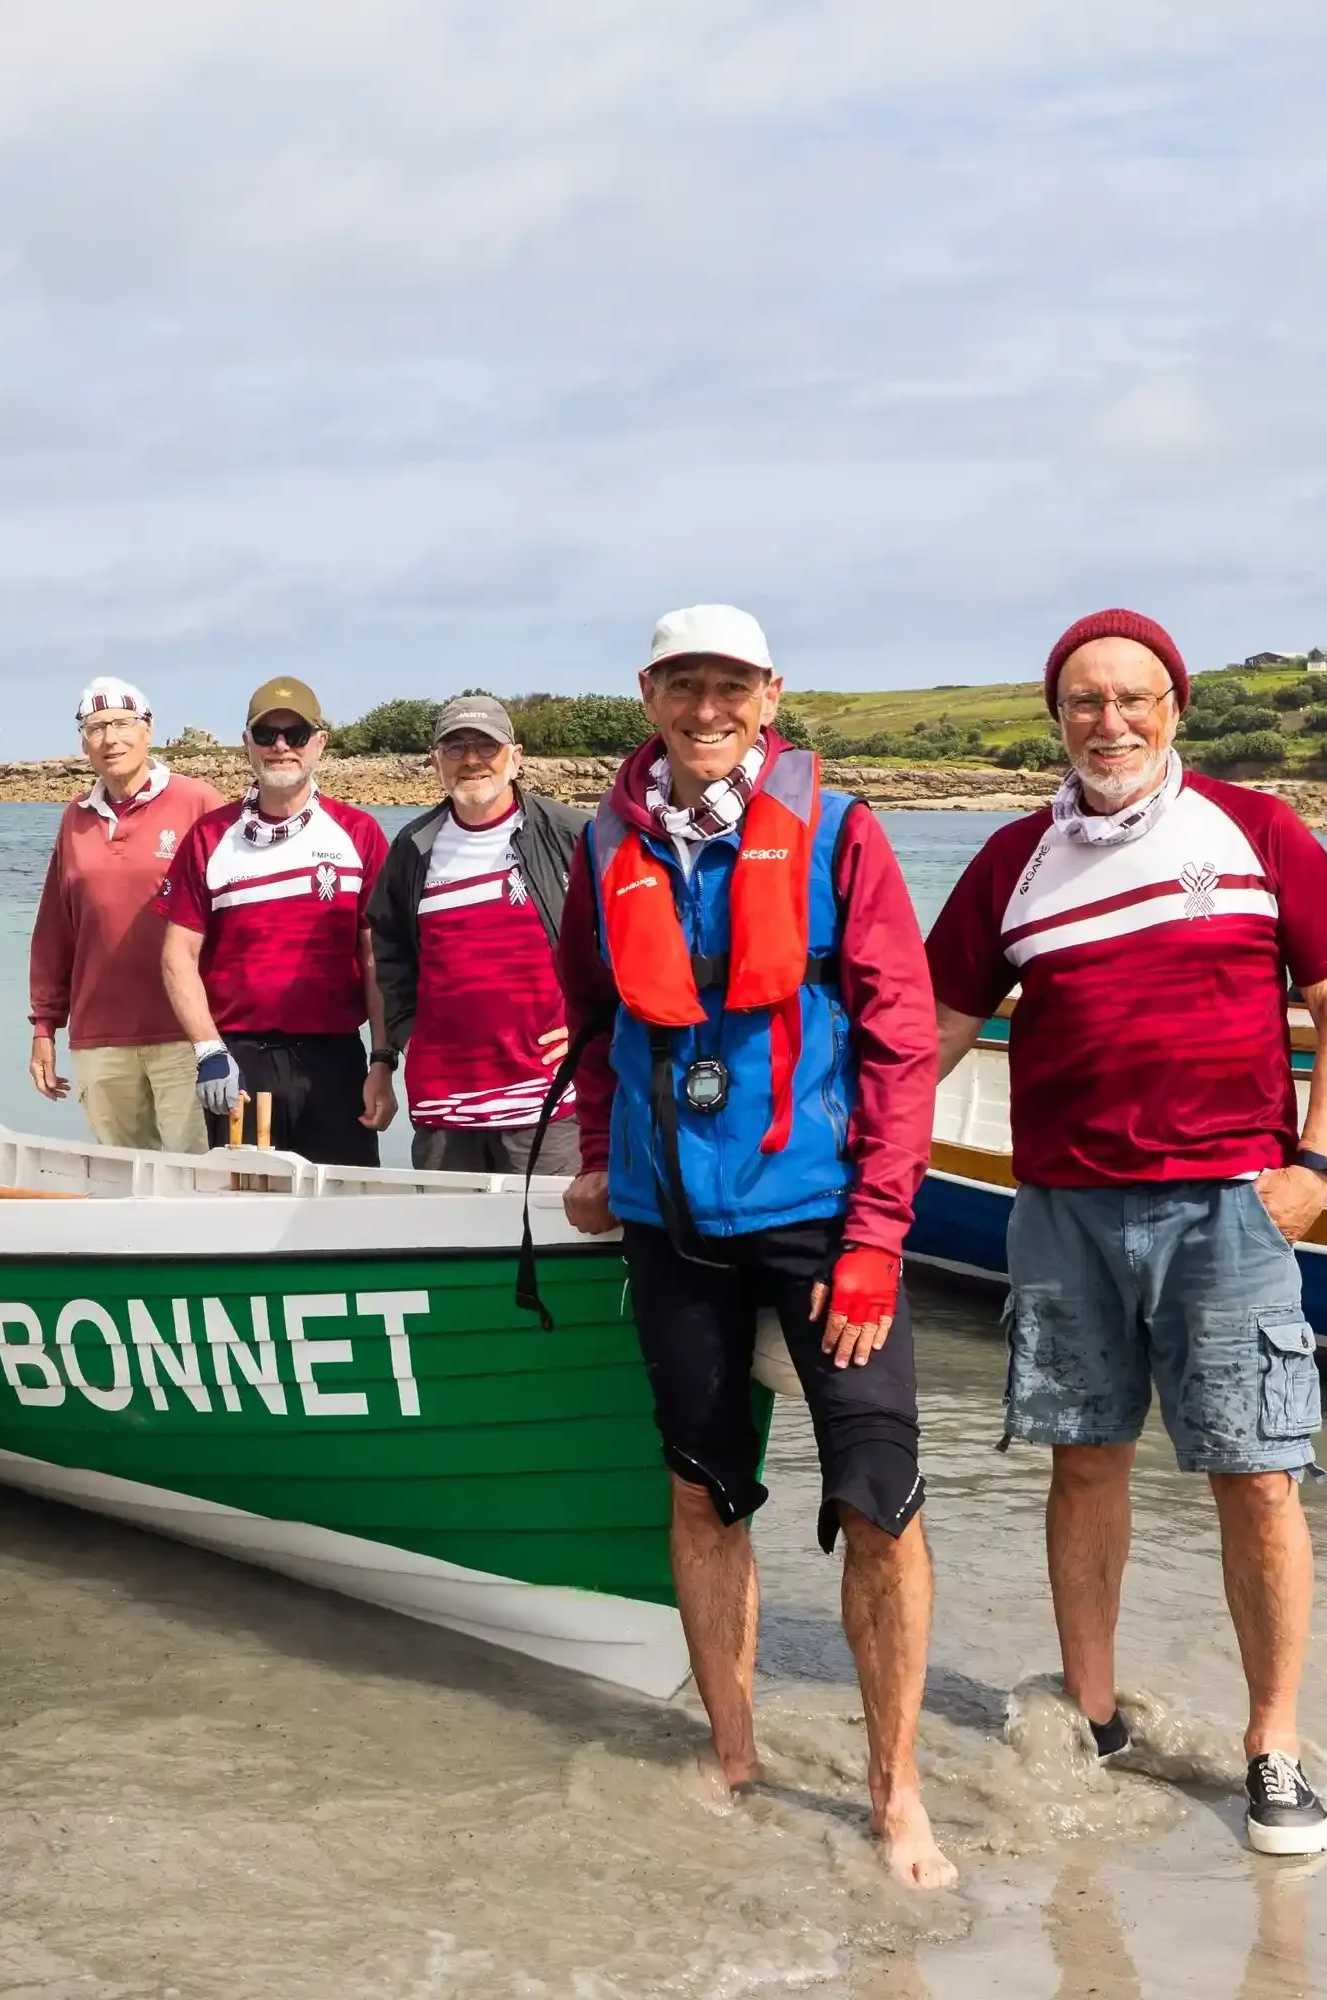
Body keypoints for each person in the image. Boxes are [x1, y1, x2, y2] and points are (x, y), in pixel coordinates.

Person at [928, 609, 1327, 1857]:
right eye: (1082, 701)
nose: (1108, 722)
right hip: (1061, 1208)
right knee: (1083, 1460)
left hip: (1229, 1207)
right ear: (1055, 717)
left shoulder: (1255, 830)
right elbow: (937, 1027)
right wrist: (843, 1157)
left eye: (1133, 698)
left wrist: (1316, 1170)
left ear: (1175, 704)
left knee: (1258, 1473)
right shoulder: (1014, 859)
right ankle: (1089, 1711)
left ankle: (1271, 1745)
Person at [557, 605, 954, 1890]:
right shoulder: (606, 837)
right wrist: (598, 1158)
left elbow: (899, 1042)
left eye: (730, 683)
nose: (707, 706)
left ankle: (896, 1794)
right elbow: (587, 1016)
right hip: (673, 1225)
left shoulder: (841, 834)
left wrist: (879, 1237)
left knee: (878, 1502)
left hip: (823, 1222)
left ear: (770, 694)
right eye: (685, 683)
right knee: (699, 1486)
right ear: (649, 693)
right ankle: (733, 1750)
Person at [158, 676, 390, 1165]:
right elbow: (178, 956)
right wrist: (207, 1051)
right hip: (238, 1062)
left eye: (296, 734)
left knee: (346, 1215)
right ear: (247, 744)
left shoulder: (360, 833)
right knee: (242, 1213)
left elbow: (376, 960)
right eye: (267, 735)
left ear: (319, 743)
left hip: (335, 1060)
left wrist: (383, 1061)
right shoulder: (208, 836)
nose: (281, 746)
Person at [365, 694, 589, 1174]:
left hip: (548, 1104)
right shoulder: (413, 847)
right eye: (455, 747)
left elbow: (627, 941)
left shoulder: (572, 835)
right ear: (435, 760)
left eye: (486, 746)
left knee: (551, 1244)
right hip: (443, 1107)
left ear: (516, 757)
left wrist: (591, 1024)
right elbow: (389, 951)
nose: (471, 760)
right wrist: (406, 1035)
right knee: (451, 1246)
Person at [27, 676, 226, 1151]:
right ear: (83, 742)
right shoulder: (75, 817)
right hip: (100, 1036)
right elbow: (56, 929)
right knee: (124, 1179)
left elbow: (233, 915)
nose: (110, 739)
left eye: (121, 724)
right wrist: (43, 1027)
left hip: (186, 1032)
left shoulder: (199, 802)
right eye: (95, 728)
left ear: (148, 730)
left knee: (196, 1177)